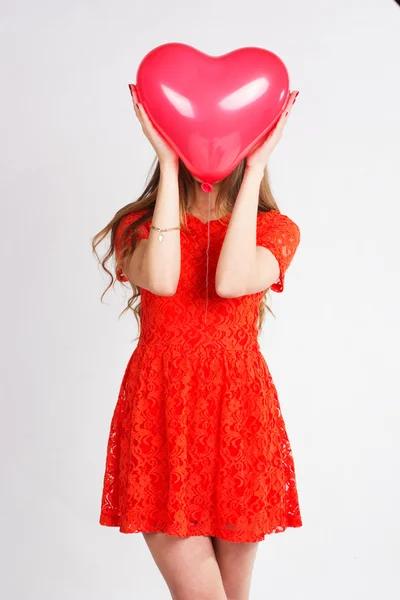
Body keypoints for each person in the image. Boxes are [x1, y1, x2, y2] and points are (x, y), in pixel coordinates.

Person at [92, 84, 302, 600]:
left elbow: (230, 280)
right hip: (164, 417)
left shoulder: (275, 230)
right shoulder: (138, 227)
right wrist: (166, 164)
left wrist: (255, 171)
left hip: (238, 419)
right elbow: (162, 280)